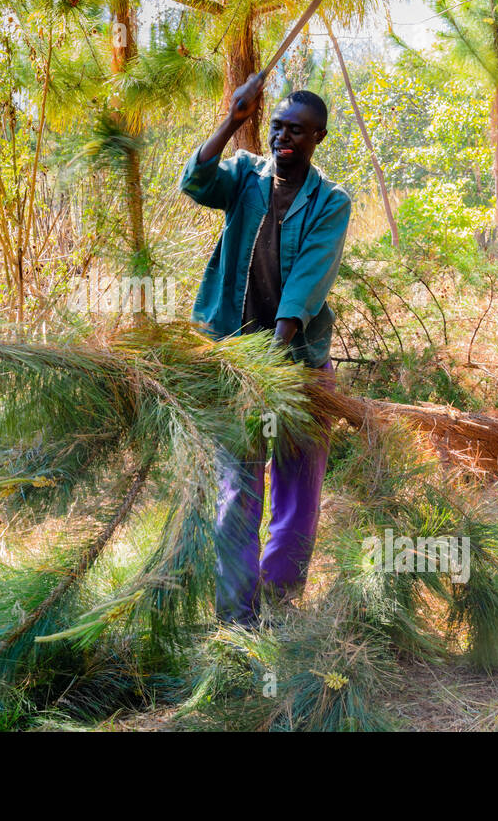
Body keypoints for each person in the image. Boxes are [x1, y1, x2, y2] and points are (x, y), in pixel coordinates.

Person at [179, 74, 352, 625]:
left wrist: (271, 364)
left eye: (296, 130)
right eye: (277, 127)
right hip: (235, 363)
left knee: (297, 495)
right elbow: (195, 182)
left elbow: (305, 286)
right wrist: (232, 120)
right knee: (238, 490)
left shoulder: (331, 203)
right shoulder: (245, 176)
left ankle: (279, 604)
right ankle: (236, 616)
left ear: (318, 137)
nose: (283, 137)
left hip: (298, 366)